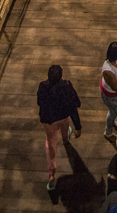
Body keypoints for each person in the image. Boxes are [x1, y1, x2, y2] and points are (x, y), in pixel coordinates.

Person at [37, 64, 82, 192]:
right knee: (65, 127)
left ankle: (51, 174)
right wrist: (78, 126)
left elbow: (39, 102)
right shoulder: (67, 86)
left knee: (51, 144)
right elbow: (74, 106)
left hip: (49, 120)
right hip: (63, 116)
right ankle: (66, 139)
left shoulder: (43, 86)